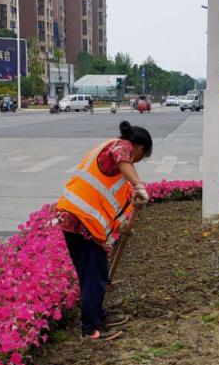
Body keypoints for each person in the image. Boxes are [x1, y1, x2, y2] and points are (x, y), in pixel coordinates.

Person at [57, 121, 153, 341]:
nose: (137, 160)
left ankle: (98, 316)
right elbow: (123, 157)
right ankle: (90, 329)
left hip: (81, 221)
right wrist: (139, 186)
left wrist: (125, 223)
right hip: (81, 220)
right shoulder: (120, 146)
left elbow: (112, 204)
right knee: (94, 276)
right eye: (142, 155)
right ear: (138, 147)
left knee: (95, 274)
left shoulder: (117, 170)